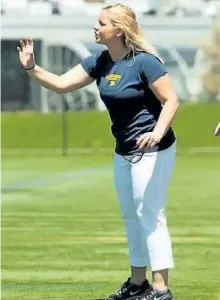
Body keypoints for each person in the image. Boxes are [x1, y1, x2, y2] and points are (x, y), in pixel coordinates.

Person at [17, 3, 179, 300]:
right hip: (124, 151)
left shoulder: (145, 62)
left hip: (155, 150)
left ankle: (161, 289)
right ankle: (137, 283)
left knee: (150, 215)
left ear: (117, 29)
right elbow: (62, 84)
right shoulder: (100, 62)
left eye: (101, 22)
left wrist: (157, 133)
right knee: (132, 216)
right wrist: (31, 67)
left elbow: (171, 101)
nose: (95, 26)